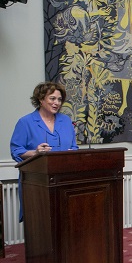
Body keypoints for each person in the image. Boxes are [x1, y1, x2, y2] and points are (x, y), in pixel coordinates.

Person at [10, 81, 79, 220]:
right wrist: (35, 153)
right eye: (52, 98)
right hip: (36, 181)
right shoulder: (26, 122)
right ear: (41, 100)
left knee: (65, 219)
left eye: (59, 99)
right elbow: (16, 151)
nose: (57, 103)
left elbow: (74, 147)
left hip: (64, 180)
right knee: (40, 221)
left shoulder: (66, 121)